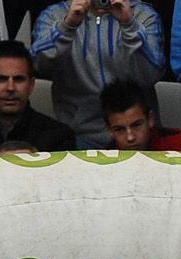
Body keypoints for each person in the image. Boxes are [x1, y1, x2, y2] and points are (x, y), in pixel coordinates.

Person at [30, 0, 164, 148]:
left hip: (135, 136)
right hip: (78, 137)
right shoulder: (53, 15)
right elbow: (39, 65)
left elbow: (152, 74)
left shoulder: (143, 15)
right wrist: (67, 26)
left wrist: (129, 25)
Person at [99, 78, 181, 150]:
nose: (130, 137)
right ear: (109, 130)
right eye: (119, 129)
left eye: (137, 125)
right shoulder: (103, 163)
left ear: (150, 119)